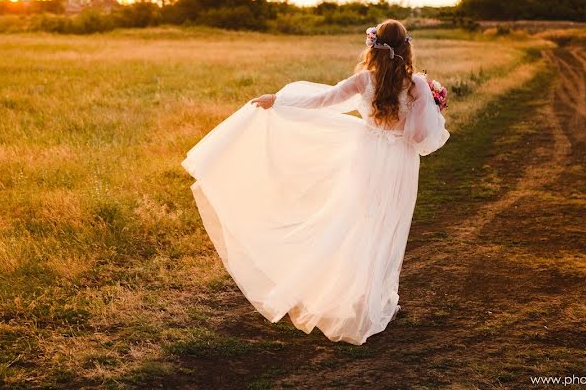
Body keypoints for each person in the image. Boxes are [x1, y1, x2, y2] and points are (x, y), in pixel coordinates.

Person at [180, 19, 450, 345]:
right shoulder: (416, 86)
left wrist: (278, 101)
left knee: (359, 223)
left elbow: (323, 101)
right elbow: (421, 137)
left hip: (366, 158)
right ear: (407, 47)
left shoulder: (365, 79)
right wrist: (432, 110)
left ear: (373, 47)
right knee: (387, 226)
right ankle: (373, 300)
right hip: (399, 164)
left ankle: (356, 297)